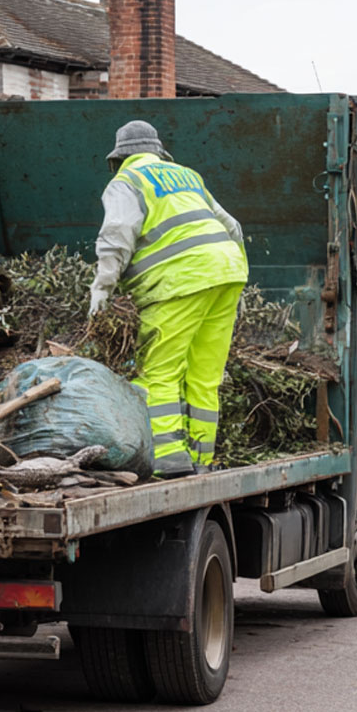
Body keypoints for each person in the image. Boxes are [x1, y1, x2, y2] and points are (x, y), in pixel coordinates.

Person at [90, 120, 248, 476]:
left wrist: (102, 291)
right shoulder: (187, 176)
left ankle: (170, 460)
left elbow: (117, 237)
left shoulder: (126, 182)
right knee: (205, 377)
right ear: (158, 152)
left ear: (119, 159)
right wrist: (232, 279)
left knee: (158, 373)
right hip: (228, 274)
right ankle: (202, 460)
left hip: (180, 282)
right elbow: (233, 227)